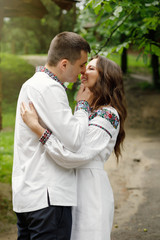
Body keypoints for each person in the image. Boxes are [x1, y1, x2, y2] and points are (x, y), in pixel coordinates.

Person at [20, 55, 127, 240]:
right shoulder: (85, 111)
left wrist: (37, 128)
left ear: (106, 77)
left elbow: (73, 155)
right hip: (67, 189)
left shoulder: (109, 115)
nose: (84, 71)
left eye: (91, 68)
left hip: (90, 190)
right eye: (84, 66)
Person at [12, 31, 92, 240]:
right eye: (82, 65)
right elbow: (75, 140)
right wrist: (83, 105)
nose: (83, 72)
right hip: (48, 198)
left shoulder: (32, 84)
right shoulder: (49, 89)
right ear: (64, 64)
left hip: (28, 196)